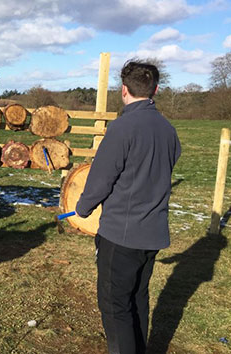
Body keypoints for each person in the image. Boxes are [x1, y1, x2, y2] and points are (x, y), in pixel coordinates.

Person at [75, 60, 181, 353]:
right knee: (137, 299)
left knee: (114, 305)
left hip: (121, 236)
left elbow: (101, 178)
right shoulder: (168, 130)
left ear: (123, 90)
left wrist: (83, 208)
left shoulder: (122, 128)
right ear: (155, 90)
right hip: (152, 234)